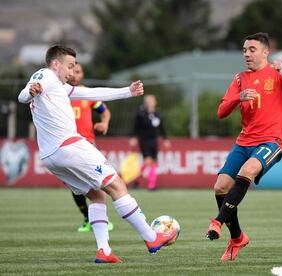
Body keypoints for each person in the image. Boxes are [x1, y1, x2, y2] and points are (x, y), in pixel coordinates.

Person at [18, 45, 177, 263]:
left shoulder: (60, 87)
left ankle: (104, 251)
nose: (73, 72)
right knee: (117, 185)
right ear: (56, 64)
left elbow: (92, 93)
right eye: (70, 66)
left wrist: (127, 91)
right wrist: (30, 91)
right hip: (70, 146)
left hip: (50, 156)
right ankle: (151, 238)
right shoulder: (46, 75)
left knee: (97, 194)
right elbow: (23, 94)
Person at [205, 32, 282, 262]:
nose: (246, 54)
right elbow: (221, 112)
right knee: (220, 186)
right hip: (244, 142)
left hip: (270, 141)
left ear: (266, 51)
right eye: (244, 50)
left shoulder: (278, 74)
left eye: (252, 49)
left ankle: (217, 221)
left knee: (247, 171)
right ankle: (237, 238)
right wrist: (237, 98)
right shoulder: (239, 78)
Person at [68, 63, 113, 233]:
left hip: (87, 144)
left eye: (78, 71)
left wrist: (104, 123)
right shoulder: (59, 93)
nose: (75, 74)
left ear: (82, 74)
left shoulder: (87, 94)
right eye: (72, 70)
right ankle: (88, 218)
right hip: (67, 146)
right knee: (76, 185)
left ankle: (102, 218)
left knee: (96, 180)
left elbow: (105, 111)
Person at [129, 94, 170, 190]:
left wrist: (165, 139)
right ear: (145, 103)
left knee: (154, 162)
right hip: (143, 140)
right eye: (148, 102)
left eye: (151, 101)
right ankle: (151, 185)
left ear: (155, 102)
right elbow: (135, 126)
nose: (150, 103)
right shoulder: (140, 113)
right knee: (148, 161)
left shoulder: (157, 113)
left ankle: (137, 181)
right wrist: (133, 137)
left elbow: (161, 127)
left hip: (153, 140)